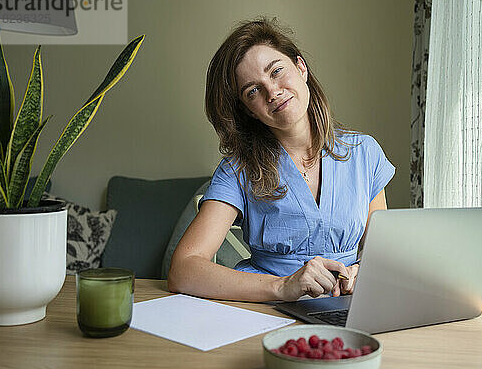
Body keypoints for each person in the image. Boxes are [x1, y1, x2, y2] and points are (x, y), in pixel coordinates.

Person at [167, 18, 395, 302]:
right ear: (249, 110)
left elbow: (382, 255)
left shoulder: (365, 153)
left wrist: (364, 271)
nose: (272, 92)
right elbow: (183, 269)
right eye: (253, 90)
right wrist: (282, 287)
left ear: (301, 68)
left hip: (350, 308)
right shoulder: (237, 170)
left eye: (276, 71)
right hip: (267, 312)